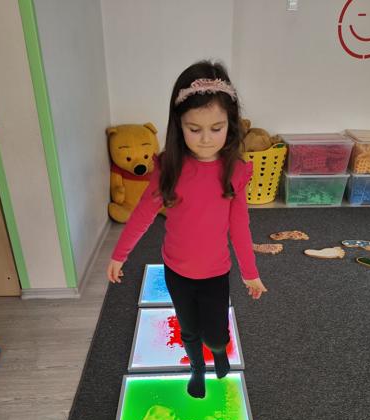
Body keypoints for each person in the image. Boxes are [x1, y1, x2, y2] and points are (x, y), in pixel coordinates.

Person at [107, 60, 267, 398]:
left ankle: (219, 351)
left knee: (216, 333)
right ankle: (197, 369)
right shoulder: (169, 167)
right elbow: (142, 215)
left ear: (230, 125)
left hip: (215, 273)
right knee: (190, 329)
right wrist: (119, 255)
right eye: (194, 129)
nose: (206, 139)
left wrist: (250, 273)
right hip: (177, 271)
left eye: (216, 128)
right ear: (178, 125)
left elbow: (240, 227)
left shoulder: (235, 171)